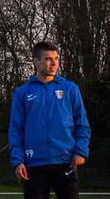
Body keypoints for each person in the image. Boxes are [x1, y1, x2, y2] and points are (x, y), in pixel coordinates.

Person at [8, 41, 91, 199]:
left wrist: (80, 151)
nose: (54, 63)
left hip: (66, 162)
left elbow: (82, 124)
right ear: (36, 61)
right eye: (48, 59)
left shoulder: (70, 89)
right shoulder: (22, 93)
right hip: (34, 164)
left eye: (56, 58)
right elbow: (15, 130)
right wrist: (18, 161)